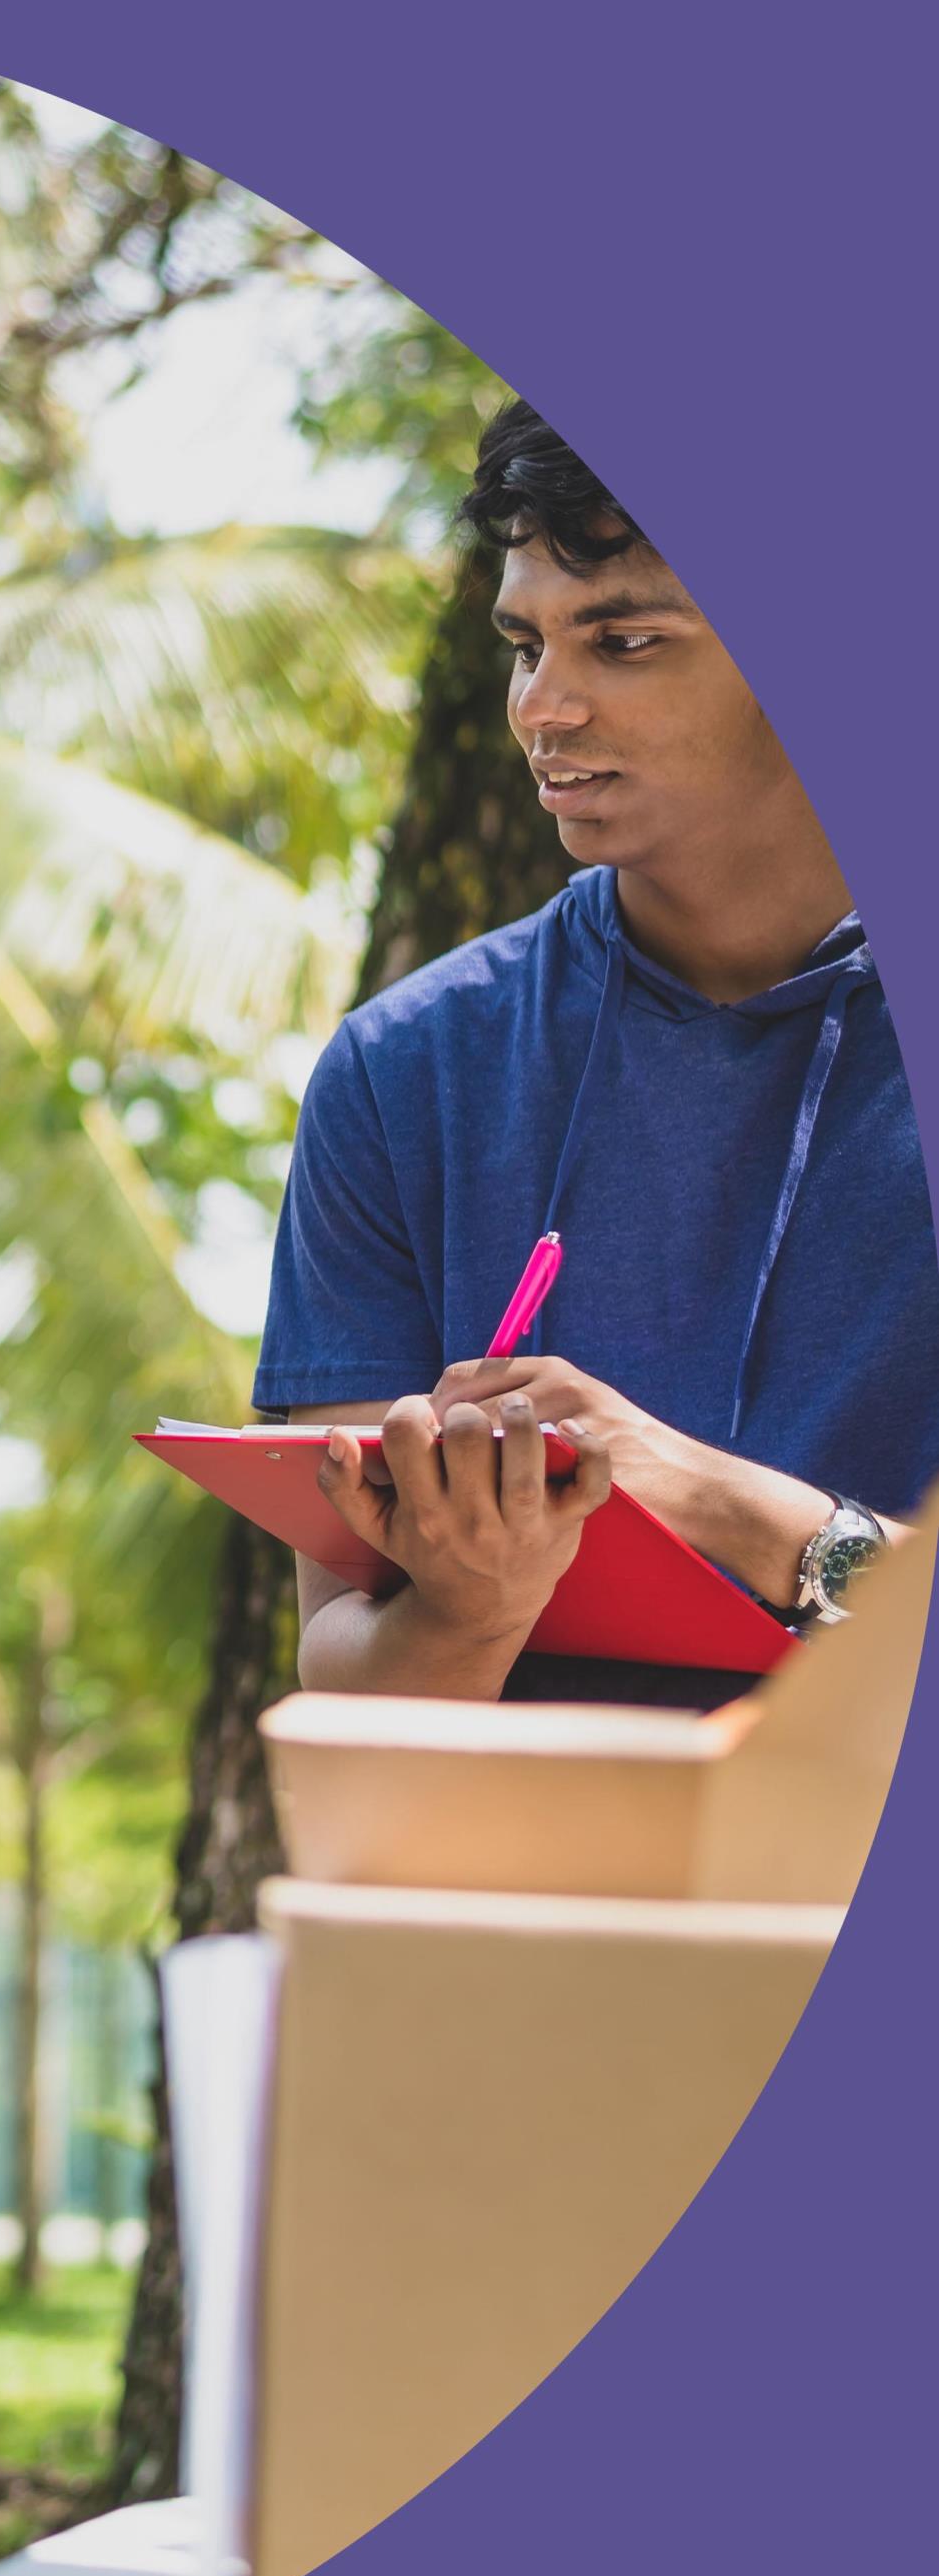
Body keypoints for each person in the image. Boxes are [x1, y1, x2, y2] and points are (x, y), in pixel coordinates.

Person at [257, 400, 938, 1706]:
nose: (541, 708)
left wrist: (721, 1505)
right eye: (524, 644)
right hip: (541, 1877)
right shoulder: (406, 1072)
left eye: (620, 640)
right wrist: (474, 1602)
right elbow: (341, 1680)